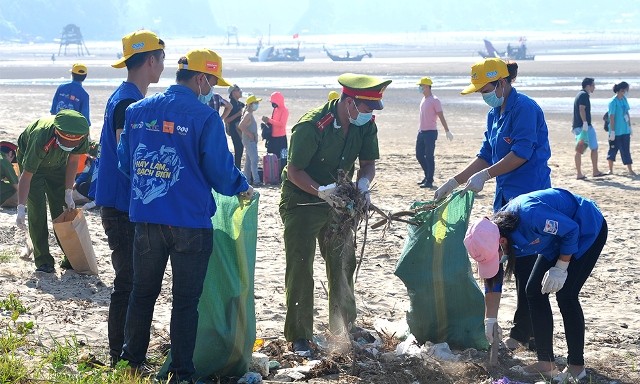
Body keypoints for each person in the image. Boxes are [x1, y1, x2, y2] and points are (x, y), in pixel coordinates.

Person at [117, 48, 253, 383]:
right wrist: (242, 186)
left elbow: (125, 163)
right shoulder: (205, 118)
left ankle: (131, 364)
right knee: (185, 302)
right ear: (202, 78)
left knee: (142, 293)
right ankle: (181, 373)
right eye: (211, 81)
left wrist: (154, 183)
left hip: (148, 220)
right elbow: (221, 173)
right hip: (190, 224)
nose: (212, 88)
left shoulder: (136, 111)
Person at [435, 58, 552, 351]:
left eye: (484, 89)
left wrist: (486, 175)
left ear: (501, 83)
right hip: (505, 201)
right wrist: (455, 180)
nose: (482, 95)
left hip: (530, 199)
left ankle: (526, 333)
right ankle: (508, 326)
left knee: (527, 266)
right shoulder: (494, 113)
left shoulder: (525, 109)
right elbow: (486, 153)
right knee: (499, 258)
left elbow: (522, 153)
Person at [279, 73, 391, 355]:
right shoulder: (312, 125)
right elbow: (294, 171)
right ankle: (300, 334)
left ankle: (344, 326)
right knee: (301, 265)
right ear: (350, 102)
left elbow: (367, 163)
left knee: (342, 261)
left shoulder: (364, 126)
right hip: (302, 200)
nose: (369, 114)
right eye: (367, 108)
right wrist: (320, 191)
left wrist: (363, 184)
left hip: (340, 202)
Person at [464, 188, 607, 381]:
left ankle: (576, 366)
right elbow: (493, 274)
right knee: (534, 290)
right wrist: (490, 319)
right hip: (555, 240)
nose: (495, 261)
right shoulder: (494, 232)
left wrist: (561, 266)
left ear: (502, 242)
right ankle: (546, 362)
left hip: (586, 229)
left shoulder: (532, 215)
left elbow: (571, 230)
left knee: (566, 295)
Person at [93, 29, 166, 367]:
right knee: (128, 282)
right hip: (122, 205)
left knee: (132, 280)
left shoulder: (126, 96)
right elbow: (129, 158)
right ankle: (120, 357)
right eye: (162, 59)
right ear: (151, 60)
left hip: (122, 203)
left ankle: (124, 354)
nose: (163, 66)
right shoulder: (128, 101)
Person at [15, 110, 90, 273]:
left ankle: (70, 256)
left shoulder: (82, 132)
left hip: (58, 165)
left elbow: (73, 160)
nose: (70, 146)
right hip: (33, 164)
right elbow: (27, 176)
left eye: (73, 144)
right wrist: (21, 208)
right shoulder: (40, 136)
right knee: (37, 209)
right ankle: (43, 259)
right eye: (66, 142)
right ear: (57, 132)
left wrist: (69, 192)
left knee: (63, 210)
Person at [415, 76, 453, 189]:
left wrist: (447, 131)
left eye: (421, 86)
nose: (420, 88)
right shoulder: (424, 99)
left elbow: (441, 116)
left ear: (426, 86)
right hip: (421, 132)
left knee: (429, 156)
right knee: (419, 155)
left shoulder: (435, 100)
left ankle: (429, 180)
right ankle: (427, 176)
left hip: (430, 133)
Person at [572, 78, 605, 180]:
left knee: (587, 148)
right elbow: (582, 109)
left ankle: (592, 171)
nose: (594, 87)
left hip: (580, 126)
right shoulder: (583, 95)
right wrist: (585, 123)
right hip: (584, 127)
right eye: (593, 85)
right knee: (583, 149)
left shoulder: (580, 94)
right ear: (588, 86)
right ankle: (583, 173)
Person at [606, 81, 635, 176]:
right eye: (625, 90)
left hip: (625, 130)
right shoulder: (613, 102)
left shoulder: (624, 100)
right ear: (621, 90)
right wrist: (613, 131)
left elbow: (627, 113)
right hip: (616, 131)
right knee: (613, 149)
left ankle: (630, 170)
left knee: (626, 149)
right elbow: (612, 116)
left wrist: (629, 126)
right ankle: (610, 170)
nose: (626, 92)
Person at [262, 91, 290, 169]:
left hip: (281, 138)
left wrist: (269, 120)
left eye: (274, 102)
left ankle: (281, 173)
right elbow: (274, 122)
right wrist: (267, 121)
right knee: (271, 156)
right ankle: (273, 173)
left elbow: (281, 124)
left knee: (282, 157)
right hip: (273, 137)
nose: (273, 104)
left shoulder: (284, 110)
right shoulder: (275, 110)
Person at [239, 94, 262, 186]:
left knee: (248, 162)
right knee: (254, 160)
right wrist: (249, 134)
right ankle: (256, 180)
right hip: (249, 140)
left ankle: (247, 180)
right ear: (250, 104)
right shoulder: (248, 114)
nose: (257, 104)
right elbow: (241, 125)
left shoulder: (249, 114)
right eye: (255, 103)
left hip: (249, 140)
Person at [225, 84, 245, 168]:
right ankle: (237, 168)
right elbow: (226, 120)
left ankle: (238, 167)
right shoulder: (230, 105)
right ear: (233, 92)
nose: (240, 91)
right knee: (238, 149)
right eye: (238, 90)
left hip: (242, 130)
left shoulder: (241, 104)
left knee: (241, 149)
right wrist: (238, 114)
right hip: (234, 131)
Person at [0, 141, 19, 207]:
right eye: (13, 160)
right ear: (10, 154)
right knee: (13, 188)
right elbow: (17, 186)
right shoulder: (5, 161)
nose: (11, 162)